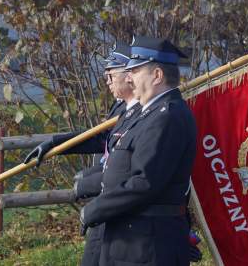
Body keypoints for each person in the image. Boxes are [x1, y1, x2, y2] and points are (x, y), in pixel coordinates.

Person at [80, 36, 197, 266]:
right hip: (132, 238)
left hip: (149, 243)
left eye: (135, 71)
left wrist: (97, 208)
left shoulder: (167, 117)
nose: (129, 77)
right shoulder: (149, 113)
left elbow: (145, 181)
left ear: (157, 76)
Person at [24, 41, 142, 266]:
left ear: (130, 75)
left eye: (111, 74)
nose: (107, 81)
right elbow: (102, 139)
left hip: (124, 211)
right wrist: (55, 144)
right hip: (104, 204)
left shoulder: (146, 112)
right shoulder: (122, 107)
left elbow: (136, 168)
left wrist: (96, 180)